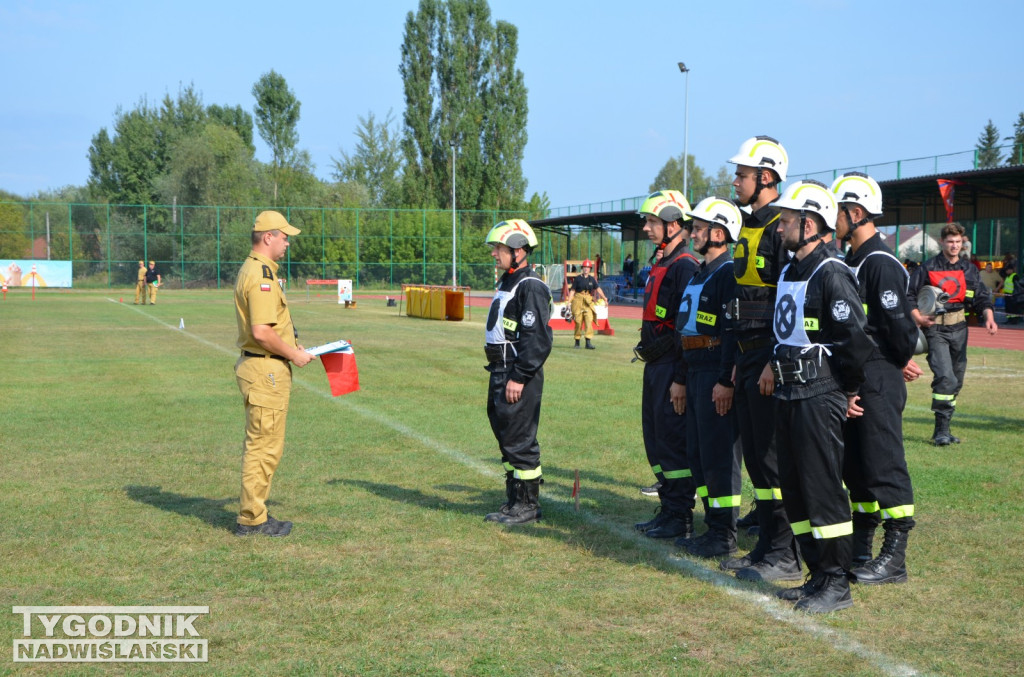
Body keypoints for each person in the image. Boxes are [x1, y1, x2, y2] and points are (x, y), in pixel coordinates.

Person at [769, 180, 874, 613]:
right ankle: (815, 573)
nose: (780, 228)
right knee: (793, 488)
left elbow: (855, 340)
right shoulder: (791, 269)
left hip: (818, 393)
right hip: (788, 393)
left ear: (809, 224)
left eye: (787, 220)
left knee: (823, 488)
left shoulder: (832, 273)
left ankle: (836, 583)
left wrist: (847, 390)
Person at [831, 172, 922, 586]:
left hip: (876, 378)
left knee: (883, 462)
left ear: (856, 212)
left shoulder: (880, 262)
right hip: (857, 376)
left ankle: (895, 556)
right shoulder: (853, 259)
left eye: (837, 212)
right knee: (857, 464)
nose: (832, 219)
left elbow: (898, 330)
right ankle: (862, 545)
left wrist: (890, 361)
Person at [719, 136, 803, 583]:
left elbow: (786, 304)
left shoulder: (780, 229)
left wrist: (773, 359)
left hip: (770, 358)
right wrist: (737, 359)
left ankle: (786, 553)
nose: (735, 181)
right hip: (747, 355)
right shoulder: (749, 225)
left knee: (772, 457)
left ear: (766, 177)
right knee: (755, 456)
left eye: (742, 175)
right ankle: (767, 547)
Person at [233, 211, 315, 537]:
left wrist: (294, 345)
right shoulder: (262, 275)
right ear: (268, 237)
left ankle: (255, 512)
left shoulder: (256, 269)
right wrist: (294, 353)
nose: (288, 242)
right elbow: (262, 331)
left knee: (265, 445)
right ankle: (252, 519)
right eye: (284, 236)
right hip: (265, 369)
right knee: (263, 447)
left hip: (262, 365)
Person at [631, 190, 701, 540]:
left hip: (672, 367)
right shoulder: (662, 261)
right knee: (656, 439)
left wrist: (680, 379)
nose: (646, 227)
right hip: (655, 365)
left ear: (675, 224)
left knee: (673, 441)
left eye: (653, 222)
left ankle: (680, 516)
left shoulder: (685, 266)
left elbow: (686, 329)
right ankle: (668, 508)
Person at [676, 198, 741, 558]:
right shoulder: (703, 271)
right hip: (696, 370)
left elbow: (732, 331)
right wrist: (683, 376)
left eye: (698, 228)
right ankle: (712, 524)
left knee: (719, 457)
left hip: (715, 371)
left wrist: (725, 381)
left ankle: (724, 533)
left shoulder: (728, 273)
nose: (692, 233)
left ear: (719, 233)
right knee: (699, 455)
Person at [483, 219, 553, 525]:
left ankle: (528, 505)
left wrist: (519, 377)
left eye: (499, 248)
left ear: (518, 249)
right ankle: (514, 501)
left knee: (520, 440)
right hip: (499, 369)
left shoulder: (531, 285)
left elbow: (537, 339)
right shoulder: (508, 283)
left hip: (515, 373)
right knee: (506, 437)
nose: (494, 254)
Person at [907, 222, 997, 445]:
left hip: (960, 329)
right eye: (950, 242)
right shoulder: (928, 267)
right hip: (935, 329)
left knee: (956, 380)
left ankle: (945, 428)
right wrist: (918, 317)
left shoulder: (969, 269)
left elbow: (981, 297)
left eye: (958, 242)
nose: (955, 245)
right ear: (942, 242)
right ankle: (940, 432)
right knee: (945, 378)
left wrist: (989, 317)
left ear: (962, 242)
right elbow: (908, 295)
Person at [565, 259, 608, 349]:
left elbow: (598, 289)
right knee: (578, 322)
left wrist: (604, 297)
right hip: (578, 300)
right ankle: (577, 342)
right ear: (582, 268)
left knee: (589, 320)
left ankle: (588, 342)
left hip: (588, 300)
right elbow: (572, 290)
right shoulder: (577, 279)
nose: (586, 269)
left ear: (590, 269)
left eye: (588, 268)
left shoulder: (592, 279)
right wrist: (569, 302)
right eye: (585, 267)